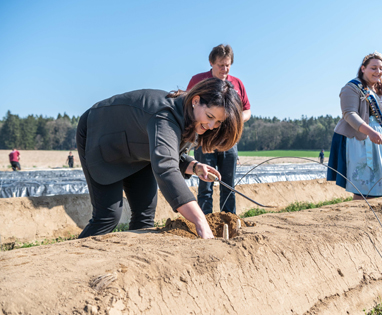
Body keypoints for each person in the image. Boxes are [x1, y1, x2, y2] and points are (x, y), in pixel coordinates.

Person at [76, 78, 244, 239]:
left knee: (145, 213)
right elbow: (166, 167)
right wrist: (200, 221)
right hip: (101, 136)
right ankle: (71, 263)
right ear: (196, 100)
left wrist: (194, 167)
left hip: (138, 150)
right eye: (209, 116)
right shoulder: (164, 116)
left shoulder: (189, 117)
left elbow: (166, 152)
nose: (210, 126)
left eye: (218, 122)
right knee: (108, 216)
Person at [327, 52, 382, 200]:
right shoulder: (352, 87)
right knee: (363, 187)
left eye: (381, 69)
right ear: (363, 69)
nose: (378, 72)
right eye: (373, 68)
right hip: (359, 138)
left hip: (380, 139)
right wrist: (370, 132)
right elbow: (349, 114)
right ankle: (360, 216)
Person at [186, 44, 251, 215]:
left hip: (229, 142)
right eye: (220, 65)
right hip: (204, 140)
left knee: (228, 185)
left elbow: (247, 110)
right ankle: (205, 221)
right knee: (205, 184)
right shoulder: (198, 81)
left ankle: (228, 218)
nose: (225, 69)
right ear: (211, 63)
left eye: (228, 65)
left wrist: (235, 119)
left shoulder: (237, 84)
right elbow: (187, 107)